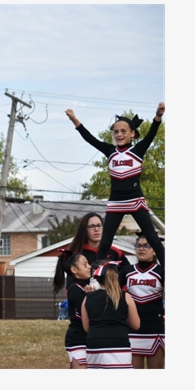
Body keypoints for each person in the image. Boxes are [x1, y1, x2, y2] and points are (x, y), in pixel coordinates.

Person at [65, 104, 165, 265]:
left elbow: (152, 134)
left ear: (132, 134)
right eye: (116, 131)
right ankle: (97, 276)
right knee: (105, 241)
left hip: (135, 200)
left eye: (123, 131)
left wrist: (158, 117)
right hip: (116, 202)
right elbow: (90, 139)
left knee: (152, 238)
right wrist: (75, 120)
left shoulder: (138, 150)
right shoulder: (110, 151)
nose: (119, 134)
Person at [81, 262, 141, 369]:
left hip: (94, 343)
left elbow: (86, 328)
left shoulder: (88, 298)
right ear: (116, 277)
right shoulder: (126, 297)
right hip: (119, 343)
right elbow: (136, 325)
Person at [119, 232, 165, 369]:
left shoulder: (162, 271)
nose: (141, 248)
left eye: (146, 245)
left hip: (155, 328)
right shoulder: (126, 271)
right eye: (138, 245)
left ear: (155, 249)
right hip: (132, 328)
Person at [64, 212, 130, 289]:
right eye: (91, 226)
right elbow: (70, 285)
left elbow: (128, 274)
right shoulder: (77, 255)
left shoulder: (115, 252)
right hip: (86, 298)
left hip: (114, 297)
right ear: (84, 230)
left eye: (99, 225)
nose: (96, 229)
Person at [52, 250, 92, 369]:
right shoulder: (75, 289)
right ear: (74, 270)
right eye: (85, 264)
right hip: (78, 339)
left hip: (88, 338)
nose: (89, 266)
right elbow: (86, 314)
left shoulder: (85, 286)